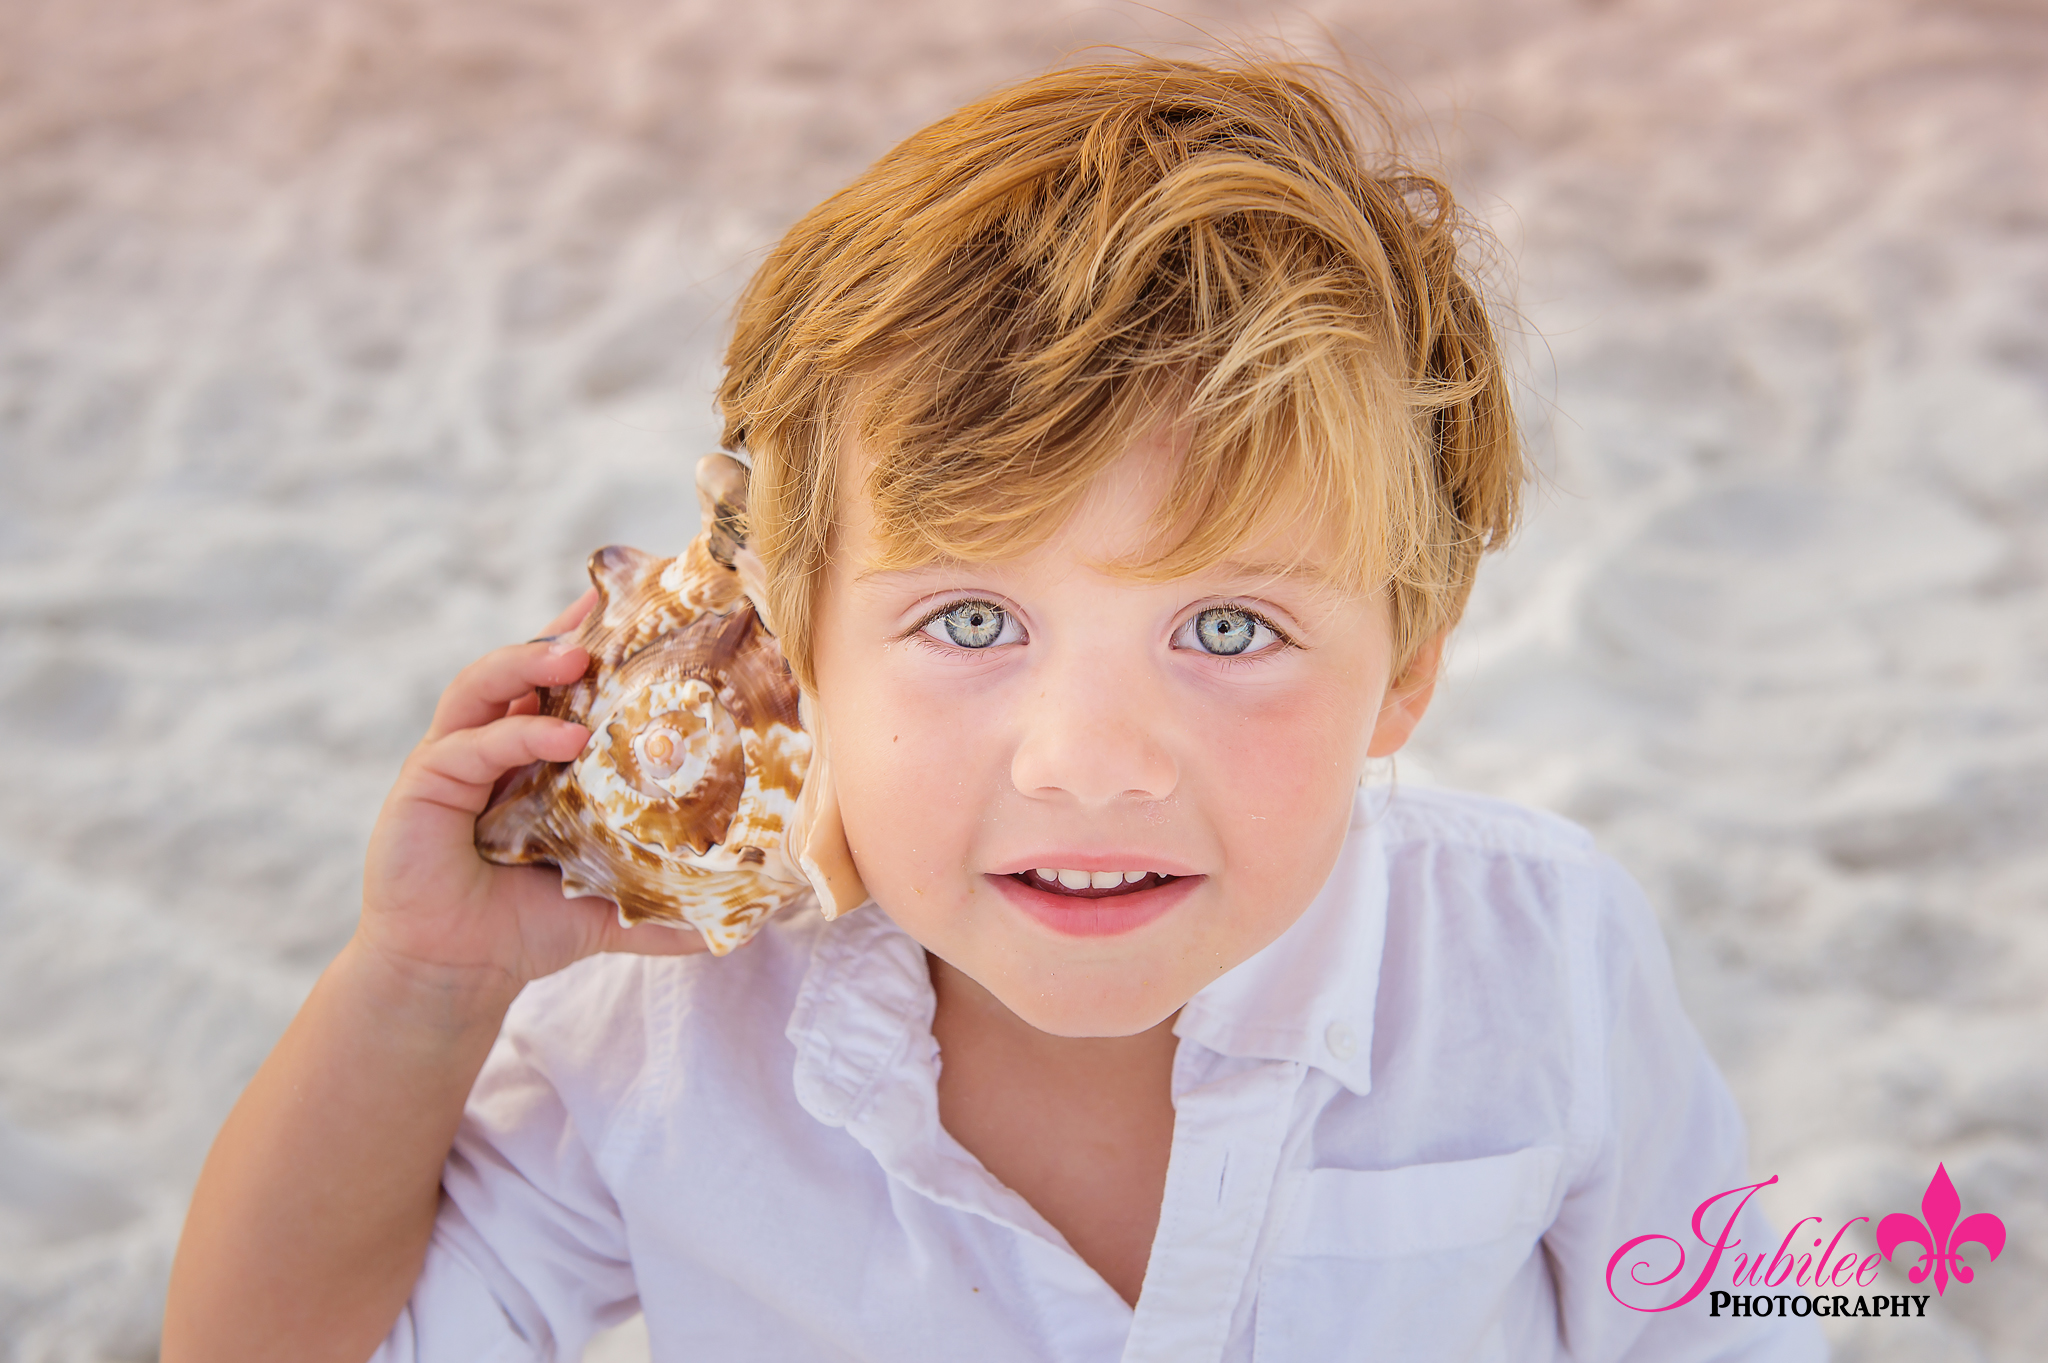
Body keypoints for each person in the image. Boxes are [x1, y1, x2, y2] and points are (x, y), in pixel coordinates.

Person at [163, 55, 1824, 1362]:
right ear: (785, 634)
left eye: (1230, 627)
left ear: (1405, 666)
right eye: (971, 617)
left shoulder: (1534, 960)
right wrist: (424, 990)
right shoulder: (668, 1036)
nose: (1090, 762)